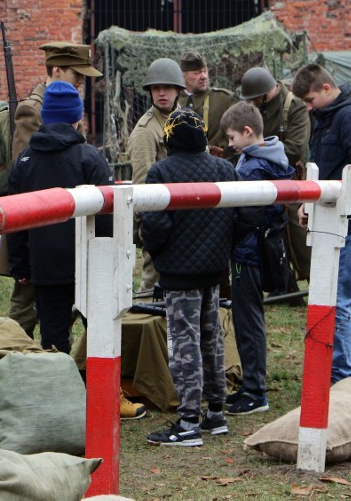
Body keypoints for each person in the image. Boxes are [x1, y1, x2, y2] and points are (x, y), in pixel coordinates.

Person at [140, 107, 250, 446]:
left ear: (169, 138)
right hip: (214, 270)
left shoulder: (161, 172)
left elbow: (154, 226)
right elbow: (242, 216)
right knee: (212, 338)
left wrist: (161, 257)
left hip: (178, 273)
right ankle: (215, 413)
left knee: (184, 342)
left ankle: (188, 421)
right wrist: (222, 249)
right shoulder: (224, 169)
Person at [0, 41, 102, 338]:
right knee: (25, 307)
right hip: (40, 227)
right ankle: (13, 358)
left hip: (67, 230)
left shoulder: (62, 104)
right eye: (77, 76)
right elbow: (27, 171)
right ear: (57, 70)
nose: (81, 83)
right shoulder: (35, 109)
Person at [7, 81, 115, 355]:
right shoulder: (89, 157)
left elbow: (15, 220)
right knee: (102, 333)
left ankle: (59, 391)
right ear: (77, 118)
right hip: (89, 264)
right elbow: (107, 214)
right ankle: (105, 392)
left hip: (45, 264)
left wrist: (20, 266)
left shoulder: (24, 161)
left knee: (53, 340)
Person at [291, 64, 351, 384]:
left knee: (339, 294)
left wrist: (327, 201)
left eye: (310, 100)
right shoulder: (326, 117)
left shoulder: (350, 117)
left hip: (348, 220)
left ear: (327, 88)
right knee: (344, 294)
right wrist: (312, 202)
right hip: (333, 215)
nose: (308, 107)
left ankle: (342, 371)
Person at [219, 102, 293, 416]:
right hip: (263, 247)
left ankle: (254, 391)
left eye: (232, 137)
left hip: (247, 252)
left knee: (248, 320)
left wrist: (228, 239)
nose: (230, 143)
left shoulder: (251, 167)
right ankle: (253, 385)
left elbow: (244, 212)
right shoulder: (275, 155)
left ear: (248, 132)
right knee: (251, 317)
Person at [240, 66, 312, 292]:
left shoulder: (294, 106)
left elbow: (296, 147)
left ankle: (314, 283)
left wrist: (259, 153)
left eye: (254, 98)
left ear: (264, 92)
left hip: (289, 177)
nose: (251, 102)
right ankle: (283, 286)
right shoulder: (254, 108)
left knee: (299, 239)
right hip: (262, 179)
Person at [128, 57, 186, 293]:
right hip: (160, 218)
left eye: (167, 87)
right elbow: (143, 186)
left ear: (178, 90)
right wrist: (150, 228)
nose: (161, 93)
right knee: (153, 289)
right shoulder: (145, 131)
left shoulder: (185, 120)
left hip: (186, 216)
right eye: (156, 88)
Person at [178, 52, 237, 158]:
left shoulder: (224, 99)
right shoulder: (174, 102)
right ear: (183, 76)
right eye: (197, 73)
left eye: (205, 71)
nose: (204, 76)